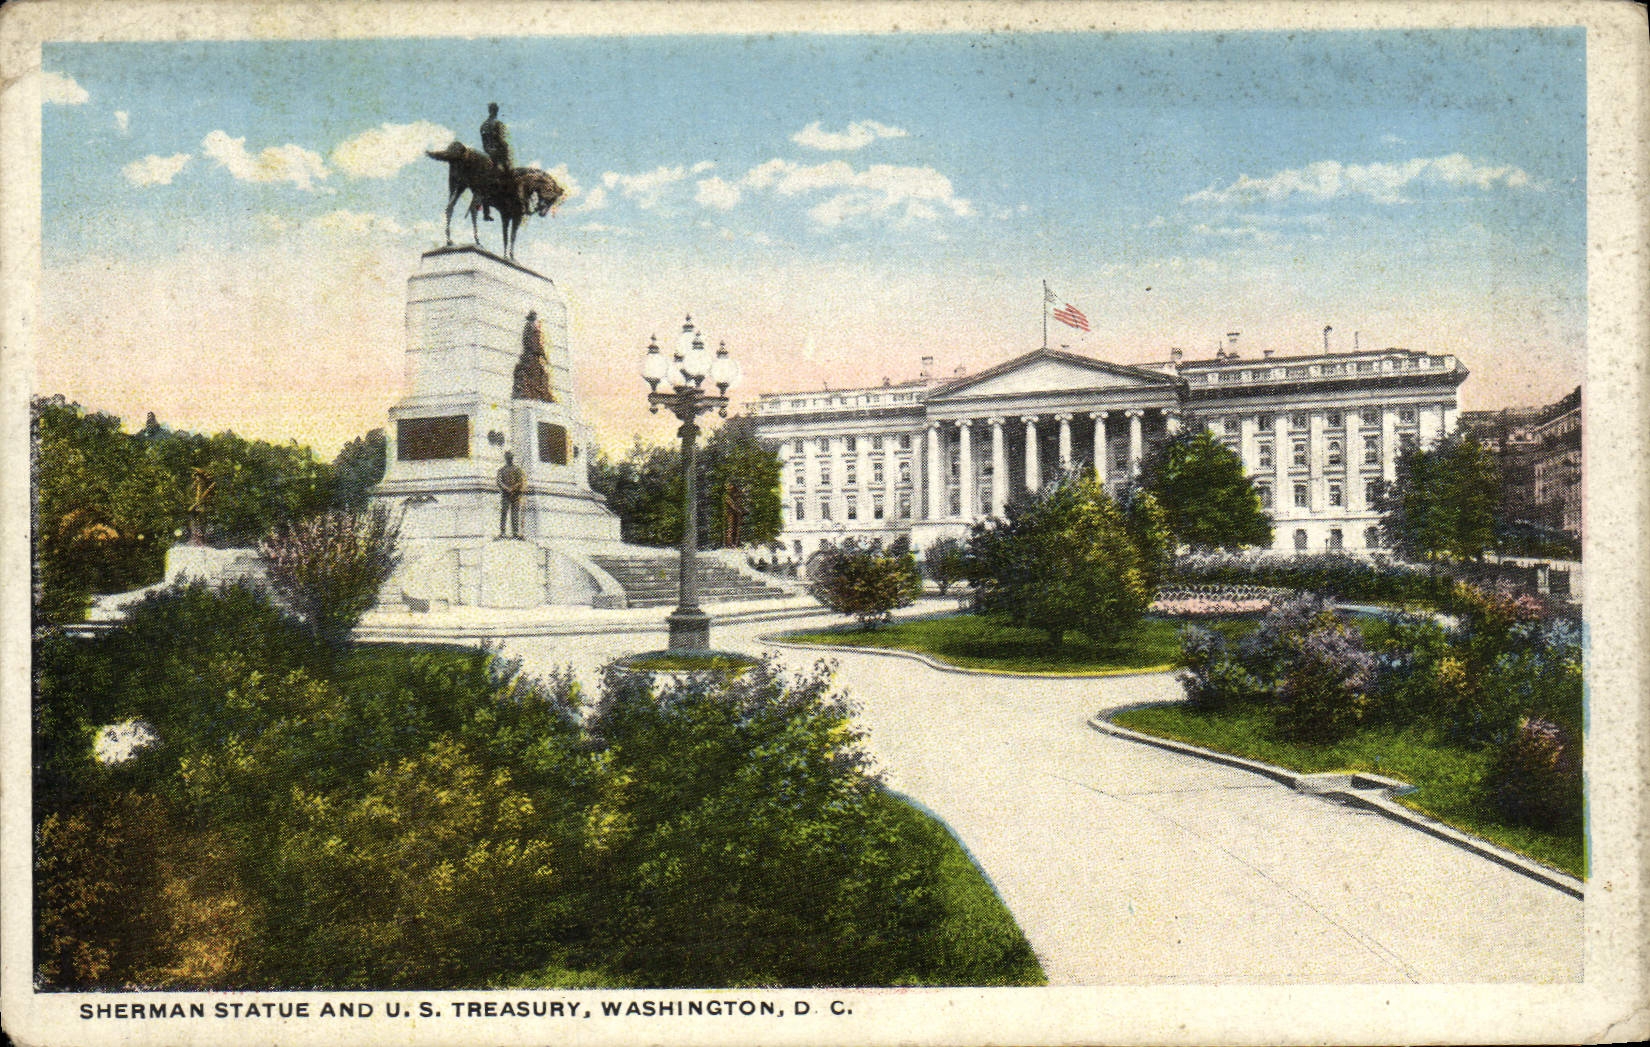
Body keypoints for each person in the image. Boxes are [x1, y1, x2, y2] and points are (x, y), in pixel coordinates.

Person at [479, 103, 515, 222]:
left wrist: (489, 150)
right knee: (509, 174)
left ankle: (486, 212)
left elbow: (484, 143)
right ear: (496, 111)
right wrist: (506, 151)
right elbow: (502, 141)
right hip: (498, 154)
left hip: (487, 153)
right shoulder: (498, 124)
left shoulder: (483, 125)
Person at [497, 451, 526, 539]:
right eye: (508, 457)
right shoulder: (501, 470)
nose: (509, 459)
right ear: (506, 458)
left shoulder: (517, 470)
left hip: (515, 494)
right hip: (505, 494)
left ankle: (515, 532)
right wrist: (506, 488)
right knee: (504, 513)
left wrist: (513, 488)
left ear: (512, 458)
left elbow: (520, 481)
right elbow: (499, 481)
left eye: (511, 457)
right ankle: (502, 532)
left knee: (515, 513)